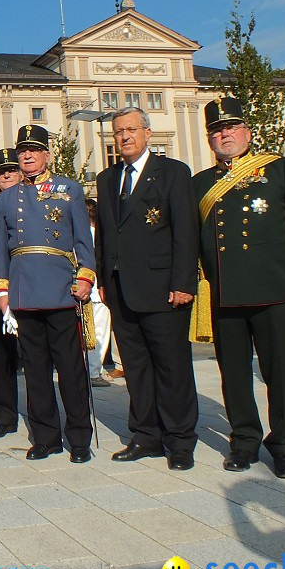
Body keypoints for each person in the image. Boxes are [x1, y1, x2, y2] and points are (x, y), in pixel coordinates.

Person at [192, 97, 285, 479]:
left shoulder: (278, 169)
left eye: (231, 127)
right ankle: (244, 440)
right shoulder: (200, 183)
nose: (225, 134)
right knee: (232, 373)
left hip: (273, 289)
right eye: (217, 130)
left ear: (247, 132)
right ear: (210, 139)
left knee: (279, 372)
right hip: (225, 293)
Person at [95, 107, 200, 471]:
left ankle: (180, 440)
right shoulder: (107, 178)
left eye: (131, 130)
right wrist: (104, 280)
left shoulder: (172, 173)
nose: (124, 137)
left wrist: (184, 282)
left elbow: (186, 232)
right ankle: (145, 435)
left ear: (147, 133)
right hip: (122, 288)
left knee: (172, 367)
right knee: (136, 367)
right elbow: (106, 237)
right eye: (118, 131)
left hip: (163, 287)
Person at [0, 125, 96, 464]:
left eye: (34, 150)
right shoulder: (6, 198)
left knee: (70, 370)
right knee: (35, 371)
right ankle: (46, 437)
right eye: (23, 150)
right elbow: (1, 251)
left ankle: (79, 438)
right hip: (24, 290)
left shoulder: (69, 189)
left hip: (61, 288)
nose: (27, 155)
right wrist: (2, 291)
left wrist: (85, 276)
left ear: (47, 155)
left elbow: (83, 238)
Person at [0, 148, 21, 439]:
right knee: (3, 358)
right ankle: (5, 416)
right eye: (1, 172)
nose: (6, 175)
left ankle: (41, 414)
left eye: (11, 170)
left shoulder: (32, 202)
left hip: (29, 288)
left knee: (36, 358)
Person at [84, 199, 112, 388]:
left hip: (85, 289)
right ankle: (93, 372)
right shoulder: (99, 234)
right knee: (99, 334)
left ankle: (87, 370)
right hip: (96, 290)